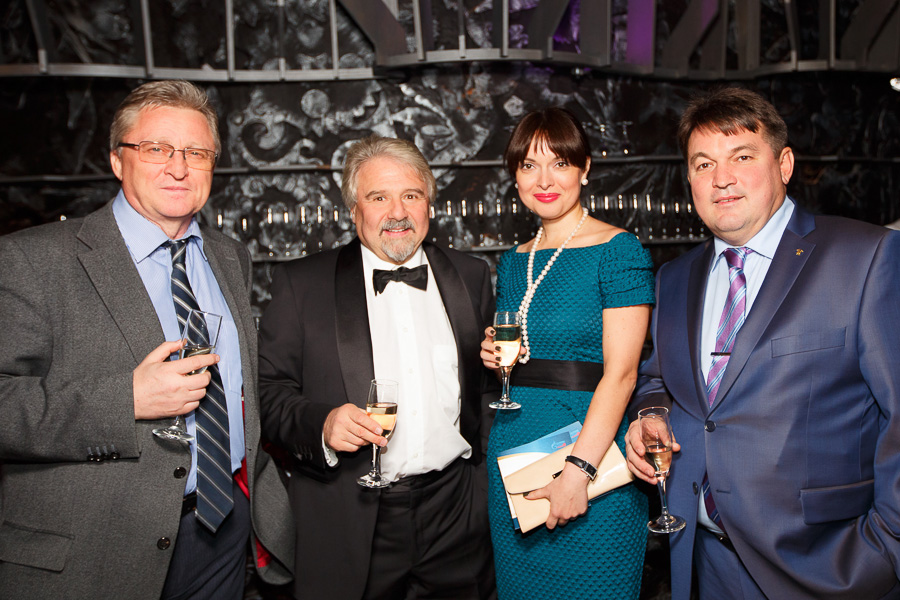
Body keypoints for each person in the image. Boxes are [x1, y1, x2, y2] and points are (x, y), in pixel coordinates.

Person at [0, 80, 293, 599]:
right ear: (118, 160)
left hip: (221, 533)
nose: (178, 168)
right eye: (156, 148)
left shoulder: (229, 256)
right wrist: (126, 400)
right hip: (95, 549)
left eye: (196, 152)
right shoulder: (30, 259)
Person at [625, 87, 900, 599]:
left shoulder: (867, 257)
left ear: (785, 164)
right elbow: (658, 379)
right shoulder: (674, 278)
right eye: (703, 164)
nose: (721, 178)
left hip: (829, 567)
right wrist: (649, 414)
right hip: (702, 562)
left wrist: (886, 551)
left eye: (742, 157)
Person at [258, 135, 498, 600]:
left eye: (411, 195)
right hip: (350, 516)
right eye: (378, 197)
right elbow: (268, 391)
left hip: (458, 516)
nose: (397, 212)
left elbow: (489, 387)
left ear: (430, 204)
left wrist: (481, 488)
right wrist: (322, 423)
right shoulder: (301, 284)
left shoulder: (471, 276)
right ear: (354, 210)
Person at [480, 107, 655, 599]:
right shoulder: (512, 261)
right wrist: (495, 356)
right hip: (515, 456)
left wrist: (578, 471)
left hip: (591, 459)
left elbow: (622, 375)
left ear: (585, 168)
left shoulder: (618, 250)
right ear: (515, 176)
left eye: (559, 163)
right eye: (529, 165)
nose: (544, 180)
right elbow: (528, 349)